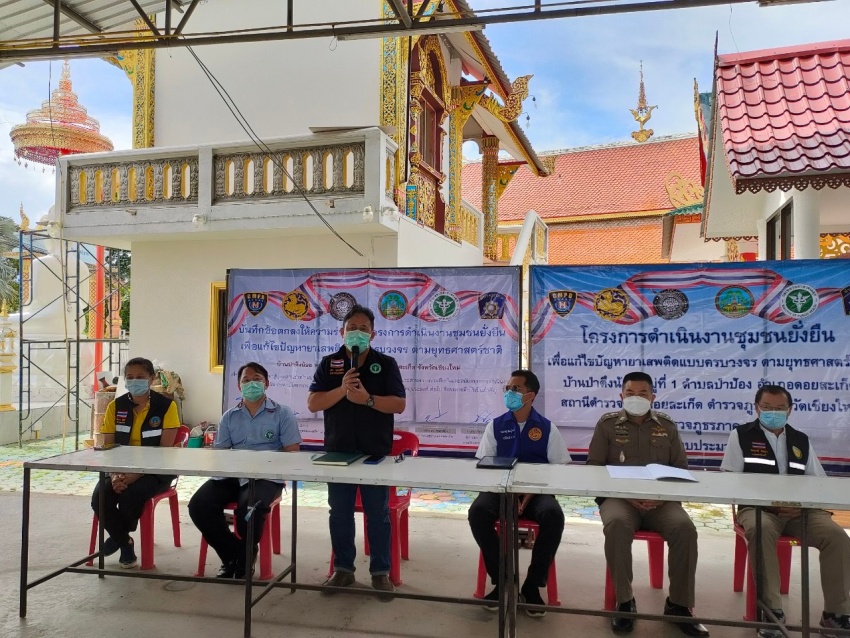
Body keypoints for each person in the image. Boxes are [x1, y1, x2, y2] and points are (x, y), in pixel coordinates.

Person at [720, 384, 850, 638]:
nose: (773, 413)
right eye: (767, 407)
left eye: (780, 408)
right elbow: (730, 480)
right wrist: (770, 502)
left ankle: (836, 614)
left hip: (800, 511)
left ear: (790, 410)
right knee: (761, 530)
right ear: (756, 408)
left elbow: (817, 481)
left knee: (837, 537)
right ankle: (772, 612)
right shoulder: (741, 435)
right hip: (758, 509)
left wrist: (801, 504)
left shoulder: (801, 440)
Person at [587, 371, 708, 637]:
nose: (636, 397)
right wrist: (626, 495)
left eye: (643, 393)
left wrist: (660, 496)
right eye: (630, 393)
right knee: (617, 524)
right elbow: (594, 468)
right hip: (620, 498)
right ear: (621, 396)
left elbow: (681, 468)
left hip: (661, 501)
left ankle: (679, 606)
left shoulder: (667, 426)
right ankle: (624, 602)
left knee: (685, 528)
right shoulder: (607, 425)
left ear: (653, 397)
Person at [307, 304, 406, 594]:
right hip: (338, 452)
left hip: (375, 452)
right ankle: (343, 570)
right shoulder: (329, 364)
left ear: (373, 334)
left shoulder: (386, 364)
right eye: (352, 328)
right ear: (342, 332)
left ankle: (380, 572)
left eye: (363, 329)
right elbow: (313, 403)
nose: (357, 333)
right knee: (339, 512)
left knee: (378, 513)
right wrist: (342, 389)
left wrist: (367, 399)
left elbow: (399, 404)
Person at [468, 369, 569, 617]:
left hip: (537, 492)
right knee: (477, 512)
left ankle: (532, 586)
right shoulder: (495, 426)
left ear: (530, 395)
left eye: (516, 389)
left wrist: (530, 491)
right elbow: (485, 466)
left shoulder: (547, 428)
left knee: (553, 515)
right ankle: (503, 579)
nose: (509, 393)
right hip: (500, 490)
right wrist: (508, 491)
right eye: (507, 388)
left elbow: (559, 470)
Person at [189, 362, 301, 579]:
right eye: (246, 380)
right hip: (232, 475)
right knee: (199, 505)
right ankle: (235, 555)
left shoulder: (282, 413)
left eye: (257, 379)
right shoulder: (230, 416)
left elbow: (292, 452)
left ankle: (242, 556)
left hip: (266, 477)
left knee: (249, 509)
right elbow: (221, 454)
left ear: (266, 383)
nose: (251, 384)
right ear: (239, 387)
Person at [91, 357, 180, 568]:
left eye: (140, 377)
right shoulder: (115, 406)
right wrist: (115, 475)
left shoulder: (166, 406)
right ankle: (125, 542)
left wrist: (136, 475)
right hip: (120, 469)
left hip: (156, 470)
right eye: (130, 377)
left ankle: (119, 540)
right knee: (100, 498)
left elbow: (165, 452)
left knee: (131, 496)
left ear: (151, 378)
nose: (134, 381)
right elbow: (108, 447)